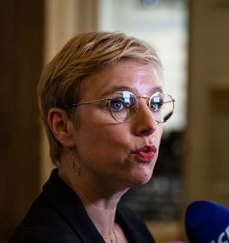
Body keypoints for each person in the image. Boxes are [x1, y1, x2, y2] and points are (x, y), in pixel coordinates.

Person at [9, 31, 175, 243]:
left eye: (155, 104)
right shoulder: (42, 238)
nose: (150, 124)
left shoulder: (132, 223)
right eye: (119, 104)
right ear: (63, 127)